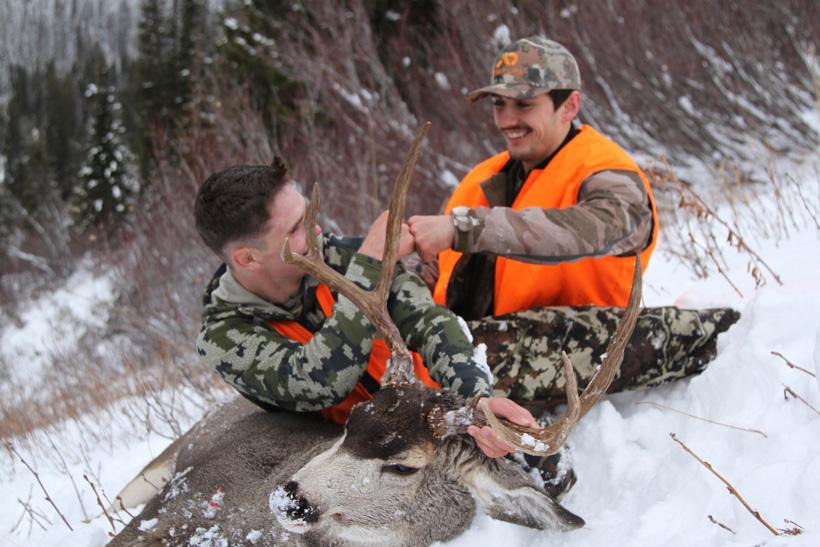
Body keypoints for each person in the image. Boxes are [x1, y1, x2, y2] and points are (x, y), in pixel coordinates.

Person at [408, 36, 739, 411]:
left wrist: (463, 228)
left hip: (571, 344)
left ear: (570, 105)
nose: (507, 119)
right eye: (499, 104)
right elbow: (438, 272)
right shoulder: (483, 177)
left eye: (524, 104)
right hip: (460, 348)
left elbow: (592, 228)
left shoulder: (606, 172)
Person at [193, 158, 538, 461]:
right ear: (247, 258)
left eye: (309, 213)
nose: (317, 229)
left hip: (431, 402)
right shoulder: (224, 338)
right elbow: (319, 381)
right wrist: (371, 261)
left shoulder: (340, 256)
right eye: (297, 228)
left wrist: (475, 398)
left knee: (539, 458)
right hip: (359, 450)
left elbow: (428, 321)